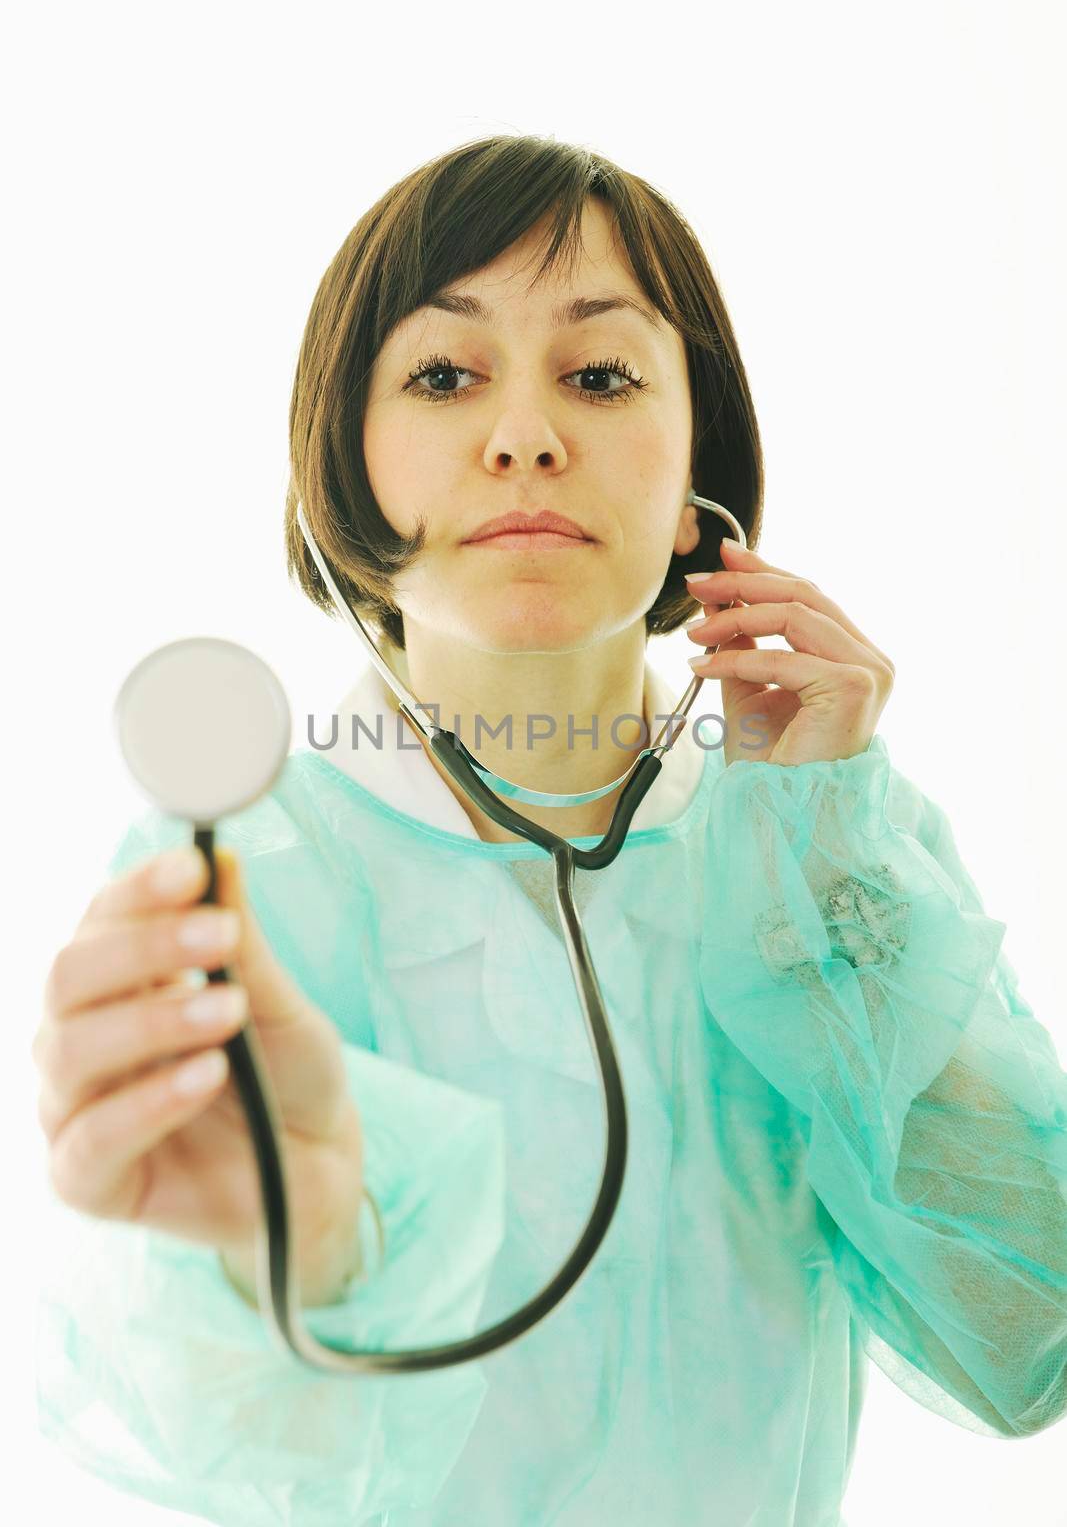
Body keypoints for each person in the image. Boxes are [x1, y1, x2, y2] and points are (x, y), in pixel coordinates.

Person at [32, 134, 1067, 1527]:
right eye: (444, 375)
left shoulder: (840, 846)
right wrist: (312, 1249)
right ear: (344, 461)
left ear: (704, 462)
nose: (525, 433)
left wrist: (825, 872)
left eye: (602, 375)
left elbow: (1025, 1348)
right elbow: (238, 1454)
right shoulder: (235, 877)